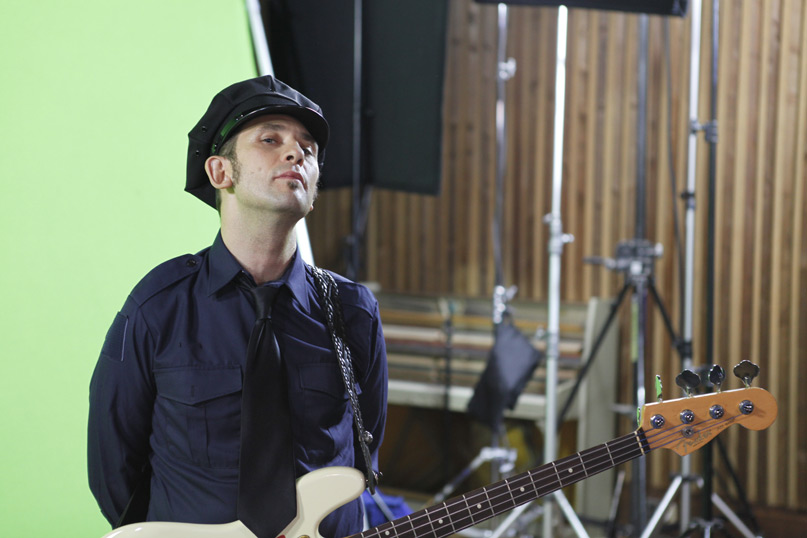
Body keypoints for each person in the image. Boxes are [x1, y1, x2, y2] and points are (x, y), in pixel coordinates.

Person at [88, 75, 388, 538]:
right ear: (220, 173)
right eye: (271, 139)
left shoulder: (353, 311)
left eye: (308, 148)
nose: (297, 153)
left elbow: (364, 444)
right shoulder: (158, 306)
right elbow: (114, 470)